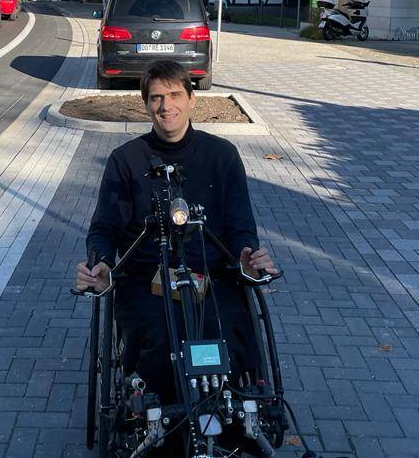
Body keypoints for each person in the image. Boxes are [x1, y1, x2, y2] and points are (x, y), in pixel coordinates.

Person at [76, 60, 278, 407]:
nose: (165, 106)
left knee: (223, 328)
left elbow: (241, 225)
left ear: (191, 99)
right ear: (146, 104)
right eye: (156, 97)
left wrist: (246, 253)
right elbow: (104, 227)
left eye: (174, 95)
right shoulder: (126, 160)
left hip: (212, 275)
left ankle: (228, 408)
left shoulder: (222, 156)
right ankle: (160, 412)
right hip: (145, 278)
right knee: (160, 335)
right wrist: (101, 262)